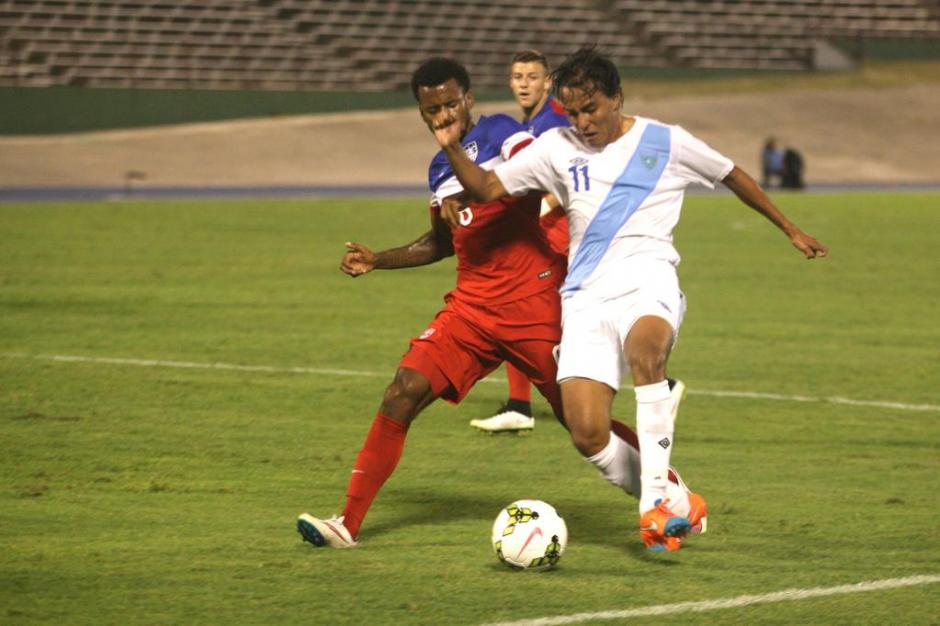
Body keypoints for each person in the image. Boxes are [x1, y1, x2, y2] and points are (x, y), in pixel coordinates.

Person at [297, 56, 705, 550]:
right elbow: (442, 242)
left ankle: (671, 495)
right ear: (422, 114)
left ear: (468, 100)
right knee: (402, 390)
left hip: (535, 304)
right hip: (471, 310)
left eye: (450, 104)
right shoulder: (438, 168)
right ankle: (347, 524)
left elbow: (530, 180)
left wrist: (471, 188)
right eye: (432, 110)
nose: (443, 114)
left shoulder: (503, 134)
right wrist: (378, 259)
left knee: (582, 422)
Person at [428, 47, 827, 551]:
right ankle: (680, 503)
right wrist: (452, 147)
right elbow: (487, 187)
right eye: (573, 112)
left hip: (648, 279)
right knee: (587, 433)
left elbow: (731, 174)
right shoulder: (556, 147)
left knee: (646, 355)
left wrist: (790, 228)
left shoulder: (665, 141)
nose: (583, 122)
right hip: (585, 298)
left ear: (616, 97)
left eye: (591, 109)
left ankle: (654, 506)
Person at [470, 49, 572, 433]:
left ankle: (660, 383)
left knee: (530, 311)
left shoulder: (555, 123)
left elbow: (568, 177)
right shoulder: (531, 124)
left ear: (548, 82)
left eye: (532, 77)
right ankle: (519, 405)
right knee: (522, 310)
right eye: (518, 77)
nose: (524, 84)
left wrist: (540, 210)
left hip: (560, 237)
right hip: (547, 237)